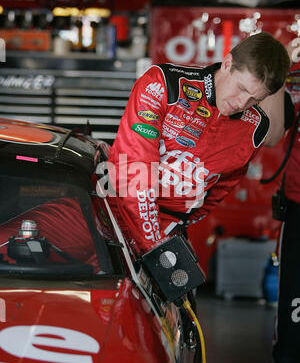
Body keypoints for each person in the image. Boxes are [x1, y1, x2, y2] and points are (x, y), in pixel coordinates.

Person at [106, 32, 290, 255]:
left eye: (255, 99)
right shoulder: (165, 84)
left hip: (167, 231)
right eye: (241, 88)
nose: (242, 103)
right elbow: (133, 172)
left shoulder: (254, 127)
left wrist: (175, 227)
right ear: (227, 63)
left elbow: (219, 189)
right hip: (109, 216)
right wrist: (153, 245)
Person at [261, 38, 300, 363]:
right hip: (298, 207)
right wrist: (280, 73)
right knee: (294, 304)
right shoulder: (294, 73)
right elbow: (272, 136)